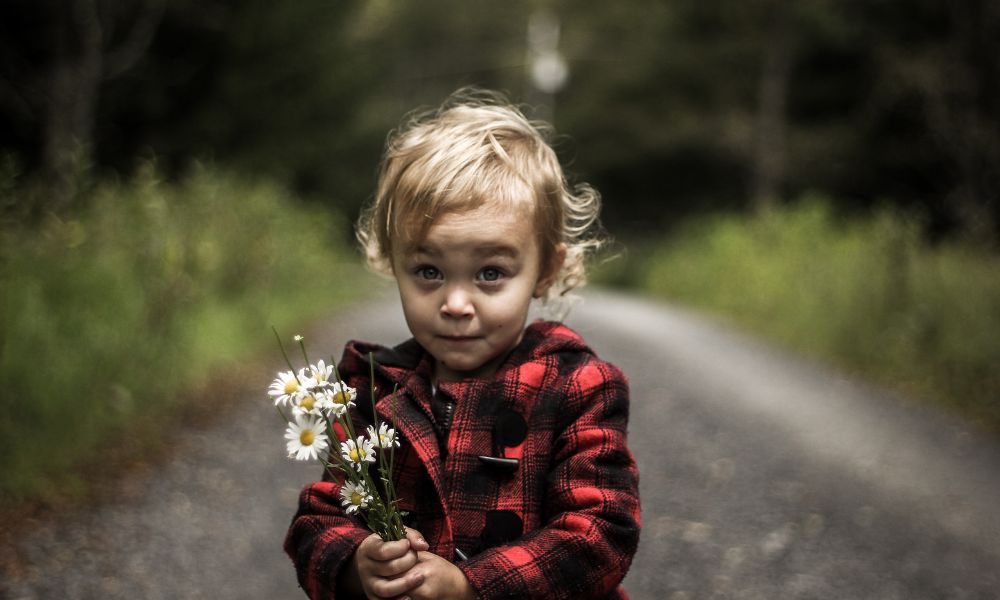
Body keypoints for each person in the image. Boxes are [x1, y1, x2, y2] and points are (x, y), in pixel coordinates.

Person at [285, 88, 641, 600]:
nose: (455, 302)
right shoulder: (372, 389)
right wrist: (356, 561)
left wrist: (473, 586)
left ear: (546, 270)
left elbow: (601, 534)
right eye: (428, 271)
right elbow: (317, 519)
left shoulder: (578, 387)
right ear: (392, 260)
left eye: (490, 273)